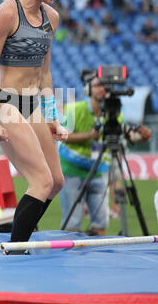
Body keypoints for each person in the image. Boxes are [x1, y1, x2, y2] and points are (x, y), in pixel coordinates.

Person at [0, 0, 68, 254]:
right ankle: (15, 250)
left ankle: (21, 234)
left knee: (56, 182)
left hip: (34, 105)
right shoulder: (6, 13)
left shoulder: (51, 18)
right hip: (6, 103)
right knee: (40, 181)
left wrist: (53, 116)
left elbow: (45, 74)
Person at [58, 75, 152, 236]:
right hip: (72, 170)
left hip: (98, 171)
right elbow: (62, 135)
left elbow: (125, 135)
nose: (102, 89)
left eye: (105, 86)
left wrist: (141, 136)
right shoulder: (75, 109)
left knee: (101, 223)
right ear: (88, 89)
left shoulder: (114, 113)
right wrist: (89, 135)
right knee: (72, 224)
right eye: (97, 85)